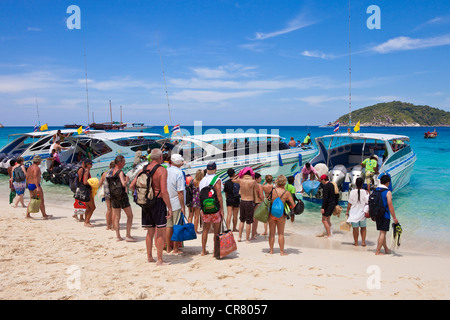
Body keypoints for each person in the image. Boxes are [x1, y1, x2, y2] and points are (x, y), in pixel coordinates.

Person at [130, 148, 172, 265]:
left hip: (146, 202)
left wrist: (141, 196)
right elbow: (163, 191)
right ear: (160, 158)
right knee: (161, 231)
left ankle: (149, 257)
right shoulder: (162, 170)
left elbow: (132, 186)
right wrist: (169, 207)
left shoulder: (143, 169)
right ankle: (159, 260)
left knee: (150, 231)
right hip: (158, 202)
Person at [262, 175, 295, 255]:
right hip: (281, 215)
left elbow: (267, 200)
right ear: (284, 182)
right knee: (281, 233)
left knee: (272, 233)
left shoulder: (272, 191)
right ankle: (281, 252)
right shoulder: (286, 193)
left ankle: (271, 251)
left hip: (271, 214)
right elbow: (293, 205)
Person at [199, 161, 224, 257]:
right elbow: (219, 195)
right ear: (215, 168)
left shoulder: (202, 180)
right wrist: (222, 209)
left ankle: (203, 250)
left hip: (205, 209)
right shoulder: (216, 179)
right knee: (216, 230)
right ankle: (215, 251)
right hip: (215, 209)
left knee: (205, 229)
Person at [109, 155, 135, 242]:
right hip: (121, 195)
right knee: (130, 216)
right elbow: (123, 184)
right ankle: (128, 235)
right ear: (120, 162)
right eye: (124, 162)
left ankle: (118, 236)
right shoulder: (120, 172)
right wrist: (127, 179)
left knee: (116, 216)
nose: (124, 163)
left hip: (113, 195)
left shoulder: (111, 171)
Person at [166, 154, 186, 254]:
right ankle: (175, 248)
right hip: (176, 202)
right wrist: (183, 206)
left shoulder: (167, 170)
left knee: (168, 226)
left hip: (166, 202)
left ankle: (168, 247)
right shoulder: (179, 173)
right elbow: (180, 192)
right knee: (177, 226)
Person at [232, 167, 258, 243]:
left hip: (242, 201)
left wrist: (238, 175)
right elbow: (257, 188)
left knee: (242, 220)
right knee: (249, 222)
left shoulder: (240, 180)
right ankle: (247, 239)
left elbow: (233, 180)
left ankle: (239, 237)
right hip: (249, 202)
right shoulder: (252, 181)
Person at [375, 175, 398, 255]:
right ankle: (377, 251)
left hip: (377, 214)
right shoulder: (388, 192)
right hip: (385, 215)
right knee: (382, 233)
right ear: (388, 183)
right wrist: (394, 217)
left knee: (382, 232)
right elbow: (390, 205)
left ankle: (386, 249)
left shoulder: (376, 190)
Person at [346, 177, 368, 246]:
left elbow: (349, 204)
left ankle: (356, 243)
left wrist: (347, 212)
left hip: (353, 213)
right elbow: (367, 202)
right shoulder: (365, 192)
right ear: (362, 184)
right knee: (363, 227)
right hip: (362, 213)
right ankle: (363, 242)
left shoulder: (352, 192)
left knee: (355, 229)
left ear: (355, 184)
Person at [77, 158, 96, 227]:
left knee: (88, 207)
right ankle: (87, 221)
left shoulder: (82, 169)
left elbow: (80, 180)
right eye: (91, 164)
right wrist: (93, 183)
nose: (92, 165)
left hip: (83, 190)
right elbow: (85, 182)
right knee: (93, 207)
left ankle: (86, 221)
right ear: (87, 164)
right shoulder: (87, 171)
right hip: (87, 190)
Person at [98, 161, 115, 230]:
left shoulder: (104, 174)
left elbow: (99, 184)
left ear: (109, 166)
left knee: (109, 209)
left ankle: (108, 226)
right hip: (114, 193)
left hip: (106, 193)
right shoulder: (116, 173)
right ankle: (113, 226)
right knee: (114, 210)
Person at [190, 169, 204, 234]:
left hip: (191, 199)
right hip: (198, 200)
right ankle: (195, 230)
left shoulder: (192, 181)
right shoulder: (202, 182)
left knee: (190, 215)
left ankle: (189, 230)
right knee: (196, 216)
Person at [252, 172, 264, 239]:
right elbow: (261, 196)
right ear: (256, 178)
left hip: (251, 202)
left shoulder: (251, 185)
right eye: (260, 178)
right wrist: (264, 201)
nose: (261, 179)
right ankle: (254, 234)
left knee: (252, 219)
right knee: (255, 220)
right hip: (258, 202)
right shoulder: (259, 185)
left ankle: (255, 232)